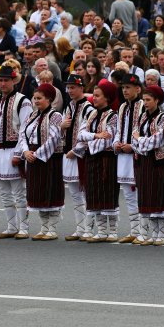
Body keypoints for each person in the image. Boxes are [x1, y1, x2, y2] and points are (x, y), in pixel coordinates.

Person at [0, 65, 33, 239]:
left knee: (19, 192)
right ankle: (11, 226)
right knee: (3, 192)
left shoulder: (23, 101)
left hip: (13, 149)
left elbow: (25, 129)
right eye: (1, 80)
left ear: (14, 80)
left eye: (6, 80)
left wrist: (19, 154)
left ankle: (24, 227)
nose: (3, 83)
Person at [18, 84, 64, 240]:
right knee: (37, 191)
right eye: (35, 98)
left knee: (50, 191)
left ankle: (52, 228)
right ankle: (44, 227)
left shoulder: (55, 116)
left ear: (49, 99)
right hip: (32, 155)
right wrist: (25, 151)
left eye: (39, 98)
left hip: (48, 158)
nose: (36, 101)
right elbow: (22, 134)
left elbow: (54, 137)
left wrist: (37, 154)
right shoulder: (31, 116)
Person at [78, 79, 120, 242]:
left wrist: (90, 142)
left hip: (106, 159)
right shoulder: (91, 114)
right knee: (94, 193)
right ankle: (101, 230)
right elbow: (80, 135)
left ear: (107, 98)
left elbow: (107, 140)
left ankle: (113, 230)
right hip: (91, 158)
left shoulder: (113, 116)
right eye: (94, 95)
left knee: (107, 192)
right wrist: (95, 135)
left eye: (97, 95)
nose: (94, 98)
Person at [132, 85, 164, 245]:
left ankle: (160, 234)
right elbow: (133, 140)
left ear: (157, 100)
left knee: (158, 195)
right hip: (143, 161)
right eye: (144, 100)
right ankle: (148, 233)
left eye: (148, 100)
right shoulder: (141, 117)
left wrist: (140, 140)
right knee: (146, 195)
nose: (145, 103)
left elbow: (156, 141)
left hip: (158, 162)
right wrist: (141, 141)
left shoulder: (163, 118)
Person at [60, 74, 94, 241]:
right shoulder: (69, 107)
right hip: (68, 154)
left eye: (73, 87)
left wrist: (77, 150)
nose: (70, 90)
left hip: (80, 155)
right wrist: (62, 126)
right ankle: (80, 228)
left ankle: (89, 227)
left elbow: (89, 133)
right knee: (74, 194)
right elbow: (64, 130)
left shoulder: (88, 108)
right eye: (68, 87)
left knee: (85, 192)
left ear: (82, 88)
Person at [113, 73, 145, 244]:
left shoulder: (143, 106)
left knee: (139, 192)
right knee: (128, 194)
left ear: (138, 89)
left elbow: (144, 132)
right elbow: (119, 130)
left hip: (137, 155)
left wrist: (132, 146)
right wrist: (116, 143)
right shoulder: (122, 107)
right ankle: (134, 229)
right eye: (123, 87)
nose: (125, 90)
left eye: (128, 87)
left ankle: (143, 229)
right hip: (123, 157)